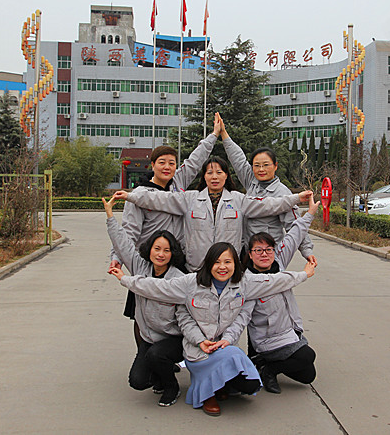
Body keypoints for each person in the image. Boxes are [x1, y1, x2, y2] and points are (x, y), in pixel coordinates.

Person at [108, 242, 317, 416]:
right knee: (214, 372)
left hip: (225, 347)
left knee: (250, 386)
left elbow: (275, 280)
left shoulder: (244, 283)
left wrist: (304, 274)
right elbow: (156, 287)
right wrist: (124, 279)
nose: (222, 267)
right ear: (208, 264)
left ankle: (222, 384)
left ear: (235, 264)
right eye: (217, 262)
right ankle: (208, 392)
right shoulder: (190, 283)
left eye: (228, 262)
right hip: (198, 349)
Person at [109, 114, 221, 346]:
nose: (167, 167)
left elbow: (195, 161)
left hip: (177, 260)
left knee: (180, 309)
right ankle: (144, 354)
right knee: (143, 308)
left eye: (171, 163)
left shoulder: (177, 185)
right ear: (152, 165)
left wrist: (213, 136)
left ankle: (172, 355)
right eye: (162, 162)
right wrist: (116, 257)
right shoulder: (139, 195)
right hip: (150, 261)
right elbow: (129, 231)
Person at [112, 157, 313, 272]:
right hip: (196, 269)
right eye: (209, 172)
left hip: (228, 268)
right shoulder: (189, 198)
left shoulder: (239, 200)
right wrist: (131, 196)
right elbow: (158, 199)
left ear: (226, 176)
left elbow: (269, 204)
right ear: (204, 176)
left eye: (219, 172)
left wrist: (296, 198)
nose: (214, 177)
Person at [102, 197, 187, 407]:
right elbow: (123, 244)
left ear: (173, 253)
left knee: (157, 355)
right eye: (157, 249)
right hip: (149, 338)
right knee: (138, 381)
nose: (161, 254)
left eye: (166, 250)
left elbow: (154, 288)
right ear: (149, 249)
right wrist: (110, 216)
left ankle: (171, 386)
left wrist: (126, 280)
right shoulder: (141, 267)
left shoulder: (178, 278)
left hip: (174, 339)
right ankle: (159, 375)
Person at [241, 192, 319, 394]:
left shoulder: (279, 262)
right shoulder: (248, 280)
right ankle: (268, 368)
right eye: (258, 251)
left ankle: (267, 365)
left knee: (308, 375)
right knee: (307, 356)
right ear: (250, 254)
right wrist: (303, 274)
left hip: (289, 334)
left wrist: (310, 213)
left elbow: (294, 235)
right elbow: (243, 317)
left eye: (268, 249)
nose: (264, 254)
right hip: (268, 340)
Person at [218, 120, 317, 266]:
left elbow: (294, 225)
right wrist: (224, 134)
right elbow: (238, 160)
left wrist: (307, 250)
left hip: (268, 256)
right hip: (247, 252)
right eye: (257, 165)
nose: (261, 169)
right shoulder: (251, 181)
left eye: (266, 165)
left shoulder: (283, 193)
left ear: (275, 166)